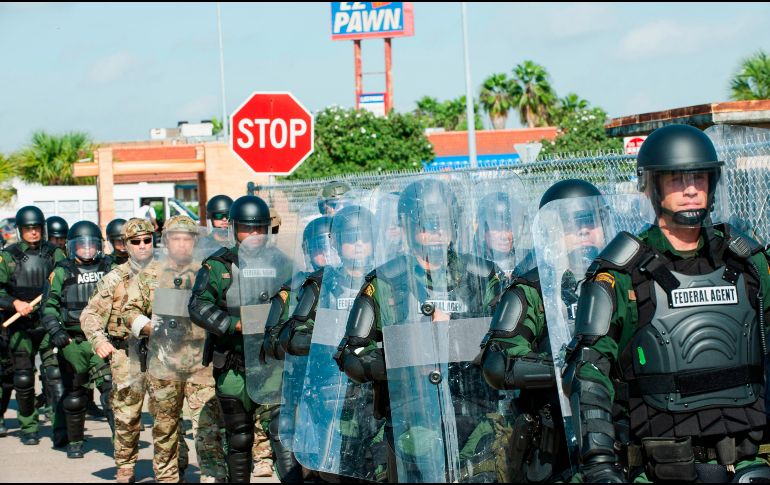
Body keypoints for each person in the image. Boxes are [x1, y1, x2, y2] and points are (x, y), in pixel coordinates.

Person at [565, 124, 770, 482]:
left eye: (699, 178)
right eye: (676, 179)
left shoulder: (749, 263)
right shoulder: (621, 274)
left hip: (749, 464)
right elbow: (589, 370)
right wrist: (599, 462)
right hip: (661, 469)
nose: (690, 189)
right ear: (651, 186)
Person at [335, 177, 507, 483]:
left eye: (444, 223)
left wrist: (453, 334)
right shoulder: (386, 281)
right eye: (427, 225)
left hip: (477, 415)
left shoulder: (482, 276)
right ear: (408, 227)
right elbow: (353, 355)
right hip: (412, 421)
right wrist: (411, 355)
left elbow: (507, 342)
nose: (437, 232)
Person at [479, 179, 609, 482]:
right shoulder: (533, 289)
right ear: (552, 232)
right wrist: (568, 368)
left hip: (621, 428)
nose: (584, 232)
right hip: (559, 441)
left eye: (591, 222)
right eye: (572, 225)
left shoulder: (626, 279)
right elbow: (499, 362)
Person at [189, 195, 292, 482]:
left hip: (272, 365)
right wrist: (234, 324)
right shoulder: (219, 266)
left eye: (260, 227)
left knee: (282, 433)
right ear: (235, 229)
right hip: (234, 365)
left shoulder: (283, 263)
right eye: (247, 228)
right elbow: (197, 306)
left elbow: (299, 300)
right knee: (239, 436)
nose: (254, 234)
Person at [281, 204, 386, 482]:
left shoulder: (388, 280)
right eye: (351, 239)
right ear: (337, 243)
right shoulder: (320, 285)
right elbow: (292, 336)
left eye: (365, 238)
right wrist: (335, 338)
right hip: (333, 394)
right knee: (336, 470)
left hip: (378, 390)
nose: (359, 244)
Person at [81, 218, 187, 483]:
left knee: (167, 414)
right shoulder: (114, 278)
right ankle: (125, 466)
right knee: (127, 415)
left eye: (147, 240)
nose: (142, 246)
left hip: (163, 353)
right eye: (135, 241)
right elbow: (90, 314)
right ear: (125, 244)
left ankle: (171, 469)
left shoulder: (169, 273)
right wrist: (98, 339)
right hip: (126, 354)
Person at [124, 215, 226, 483]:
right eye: (176, 238)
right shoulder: (150, 274)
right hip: (164, 365)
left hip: (201, 365)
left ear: (195, 241)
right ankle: (167, 477)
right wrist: (150, 327)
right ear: (166, 242)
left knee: (208, 428)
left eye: (187, 239)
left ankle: (213, 476)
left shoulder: (208, 272)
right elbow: (129, 311)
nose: (181, 244)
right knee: (165, 429)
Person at [42, 220, 115, 458]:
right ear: (72, 247)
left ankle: (122, 445)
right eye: (81, 245)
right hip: (73, 342)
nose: (86, 249)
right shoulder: (62, 271)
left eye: (91, 245)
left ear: (99, 246)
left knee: (110, 391)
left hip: (102, 340)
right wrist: (57, 332)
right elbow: (48, 307)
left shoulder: (109, 268)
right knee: (74, 395)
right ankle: (74, 441)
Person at [0, 206, 66, 445]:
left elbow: (67, 280)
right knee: (24, 379)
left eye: (37, 228)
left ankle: (61, 428)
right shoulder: (8, 256)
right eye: (28, 228)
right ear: (20, 230)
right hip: (21, 327)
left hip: (48, 323)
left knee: (55, 376)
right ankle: (29, 426)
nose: (33, 232)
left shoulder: (55, 254)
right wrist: (14, 303)